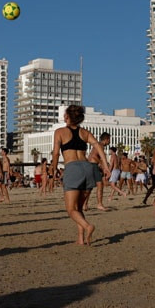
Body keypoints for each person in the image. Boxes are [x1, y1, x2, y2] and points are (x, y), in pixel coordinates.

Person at [50, 105, 110, 245]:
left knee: (71, 209)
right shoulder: (85, 132)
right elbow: (98, 146)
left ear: (67, 117)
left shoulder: (60, 132)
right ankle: (80, 239)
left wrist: (53, 169)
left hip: (72, 168)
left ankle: (88, 226)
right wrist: (105, 166)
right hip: (87, 168)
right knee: (78, 207)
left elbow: (55, 153)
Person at [86, 132, 111, 211]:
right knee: (100, 185)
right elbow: (93, 156)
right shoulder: (100, 145)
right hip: (93, 166)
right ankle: (99, 204)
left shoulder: (98, 145)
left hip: (90, 166)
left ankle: (84, 204)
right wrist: (102, 164)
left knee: (89, 187)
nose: (109, 141)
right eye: (109, 139)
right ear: (106, 139)